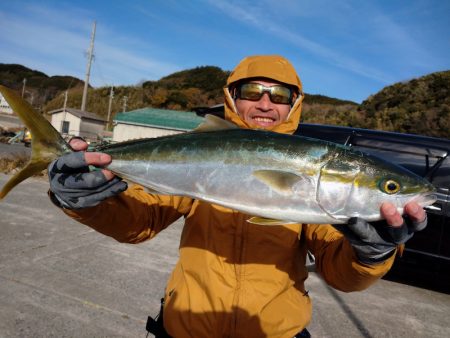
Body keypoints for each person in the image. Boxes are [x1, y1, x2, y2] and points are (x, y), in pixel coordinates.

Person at [47, 55, 427, 338]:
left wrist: (372, 254)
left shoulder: (318, 182)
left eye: (279, 95)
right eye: (251, 92)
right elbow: (140, 222)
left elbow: (342, 275)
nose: (265, 104)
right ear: (232, 97)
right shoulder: (202, 143)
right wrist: (90, 203)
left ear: (294, 104)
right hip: (187, 328)